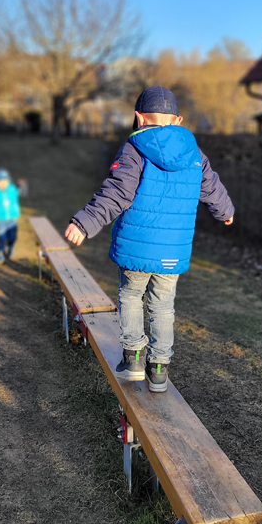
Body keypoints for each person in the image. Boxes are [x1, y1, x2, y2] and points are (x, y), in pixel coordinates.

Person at [64, 86, 234, 393]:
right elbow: (212, 186)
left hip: (135, 247)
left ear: (139, 117)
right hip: (173, 251)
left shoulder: (135, 148)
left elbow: (116, 193)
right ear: (178, 120)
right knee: (163, 306)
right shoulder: (195, 153)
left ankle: (133, 361)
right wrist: (226, 211)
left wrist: (85, 222)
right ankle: (159, 369)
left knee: (131, 295)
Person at [0, 168, 27, 264]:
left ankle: (11, 247)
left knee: (13, 237)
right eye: (0, 181)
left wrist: (23, 185)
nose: (3, 184)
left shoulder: (13, 188)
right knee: (1, 237)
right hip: (1, 220)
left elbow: (24, 194)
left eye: (5, 181)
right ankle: (1, 252)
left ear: (9, 180)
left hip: (13, 219)